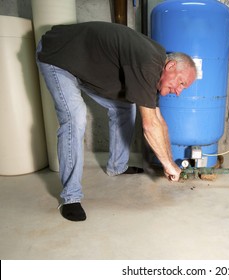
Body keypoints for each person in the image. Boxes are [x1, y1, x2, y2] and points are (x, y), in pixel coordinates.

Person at [36, 21, 197, 222]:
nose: (179, 91)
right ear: (171, 66)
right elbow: (149, 125)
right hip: (58, 55)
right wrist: (168, 165)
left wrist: (170, 162)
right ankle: (70, 198)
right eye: (181, 83)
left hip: (82, 66)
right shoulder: (148, 63)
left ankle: (117, 166)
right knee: (75, 117)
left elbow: (158, 120)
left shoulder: (157, 70)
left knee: (125, 106)